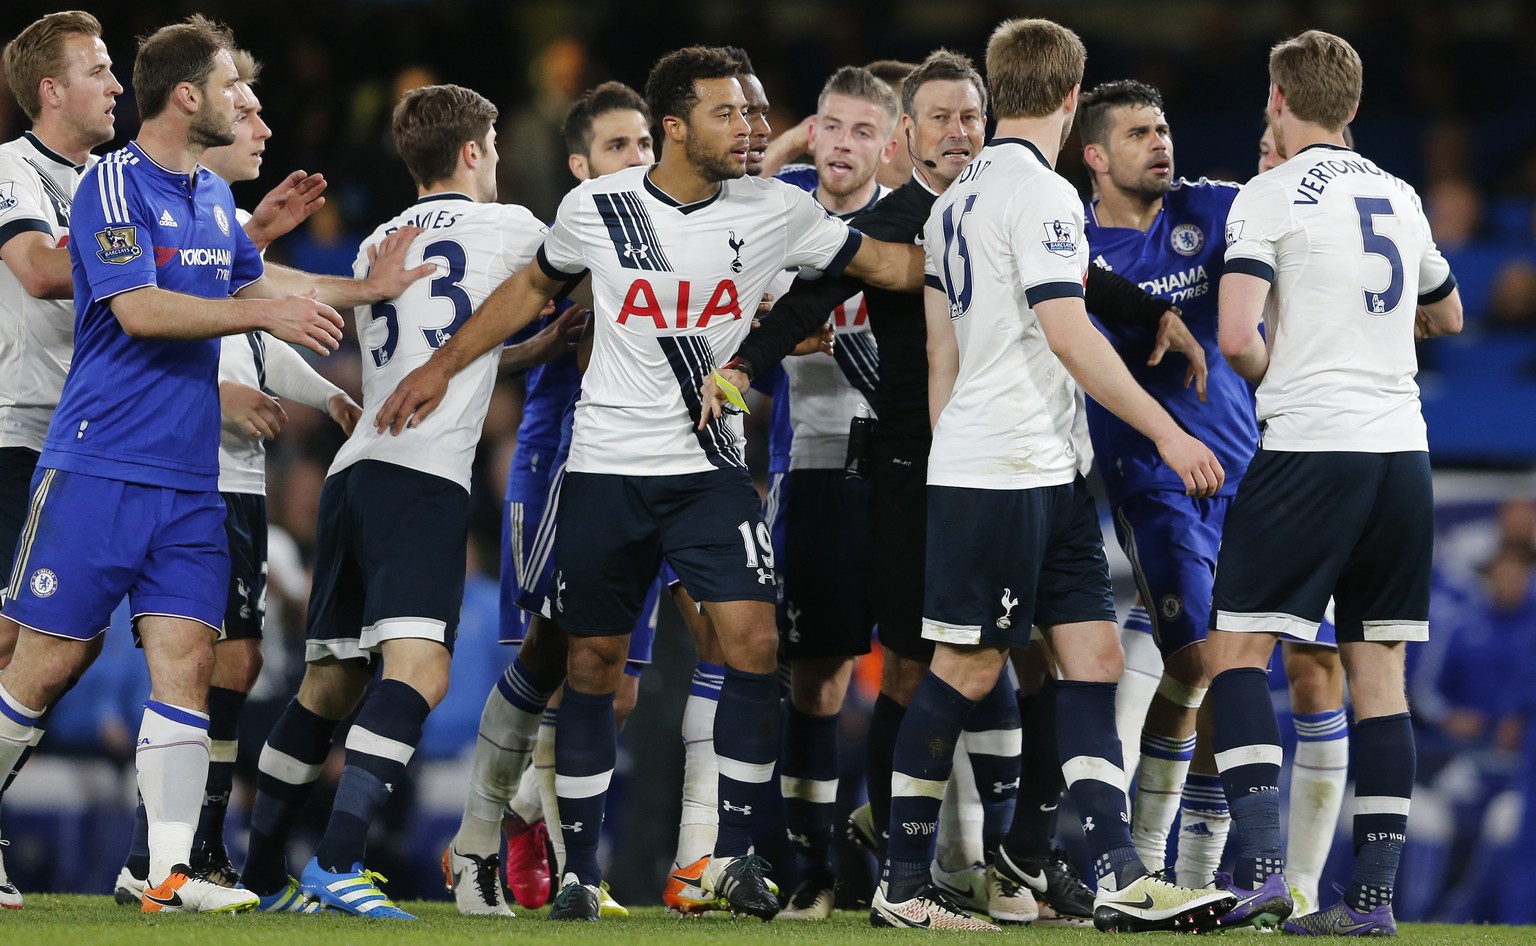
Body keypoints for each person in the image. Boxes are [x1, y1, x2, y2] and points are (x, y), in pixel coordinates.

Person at [377, 44, 924, 922]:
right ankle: (576, 872)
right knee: (592, 663)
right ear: (675, 127)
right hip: (605, 469)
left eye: (755, 112)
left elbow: (891, 267)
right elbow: (528, 289)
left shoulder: (776, 211)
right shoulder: (599, 207)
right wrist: (444, 368)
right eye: (730, 113)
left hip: (710, 468)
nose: (751, 128)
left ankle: (735, 858)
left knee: (752, 644)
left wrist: (975, 229)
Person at [718, 48, 1199, 927]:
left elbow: (1062, 292)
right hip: (944, 468)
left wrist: (1153, 312)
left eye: (967, 115)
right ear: (912, 133)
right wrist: (745, 365)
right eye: (936, 117)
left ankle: (1062, 862)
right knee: (926, 667)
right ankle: (884, 870)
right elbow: (818, 294)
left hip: (1006, 461)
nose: (955, 131)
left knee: (1066, 660)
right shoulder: (945, 210)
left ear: (990, 113)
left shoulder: (969, 206)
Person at [0, 14, 426, 914]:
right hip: (98, 465)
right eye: (234, 85)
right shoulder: (110, 185)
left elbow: (254, 278)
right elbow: (142, 311)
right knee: (38, 668)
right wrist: (262, 318)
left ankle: (165, 873)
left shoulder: (201, 195)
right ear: (188, 95)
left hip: (190, 479)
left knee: (188, 664)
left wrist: (363, 291)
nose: (247, 101)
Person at [875, 18, 1235, 931]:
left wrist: (953, 440)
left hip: (1043, 463)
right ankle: (903, 885)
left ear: (998, 99)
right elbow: (1068, 329)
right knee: (962, 668)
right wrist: (1167, 435)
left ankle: (1118, 872)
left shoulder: (954, 200)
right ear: (1074, 97)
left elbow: (939, 346)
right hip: (1004, 466)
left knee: (1096, 658)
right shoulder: (1039, 195)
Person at [237, 82, 573, 919]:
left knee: (328, 686)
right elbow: (482, 332)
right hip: (422, 477)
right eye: (492, 148)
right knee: (418, 671)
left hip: (356, 472)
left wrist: (531, 348)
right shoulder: (518, 228)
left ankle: (259, 874)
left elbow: (444, 352)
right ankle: (341, 861)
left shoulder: (379, 244)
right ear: (473, 151)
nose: (496, 161)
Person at [1207, 29, 1462, 936]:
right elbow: (1450, 311)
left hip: (1313, 444)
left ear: (1278, 101)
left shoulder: (1265, 196)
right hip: (1405, 453)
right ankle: (1376, 905)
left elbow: (1238, 337)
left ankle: (1268, 877)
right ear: (1352, 106)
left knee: (1235, 652)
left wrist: (1291, 378)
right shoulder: (1400, 193)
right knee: (1379, 677)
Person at [107, 48, 362, 908]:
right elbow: (129, 332)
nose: (259, 125)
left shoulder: (216, 226)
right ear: (201, 125)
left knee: (235, 662)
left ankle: (181, 852)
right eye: (244, 110)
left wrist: (327, 394)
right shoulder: (141, 200)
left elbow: (254, 333)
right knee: (185, 662)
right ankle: (166, 854)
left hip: (236, 485)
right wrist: (219, 395)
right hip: (180, 473)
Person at [445, 80, 652, 919]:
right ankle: (501, 845)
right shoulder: (555, 239)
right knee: (551, 657)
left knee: (621, 685)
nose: (636, 159)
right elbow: (471, 348)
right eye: (616, 147)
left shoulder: (680, 234)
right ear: (578, 165)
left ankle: (528, 817)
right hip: (560, 465)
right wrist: (538, 343)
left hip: (645, 469)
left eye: (644, 144)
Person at [763, 64, 897, 921]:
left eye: (860, 131)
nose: (840, 146)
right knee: (816, 680)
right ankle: (811, 871)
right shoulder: (778, 218)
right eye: (828, 128)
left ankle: (899, 853)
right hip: (815, 466)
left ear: (892, 145)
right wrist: (786, 146)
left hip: (906, 471)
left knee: (923, 671)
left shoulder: (913, 225)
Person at [0, 11, 121, 908]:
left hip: (86, 437)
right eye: (100, 69)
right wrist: (138, 227)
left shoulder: (110, 183)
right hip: (17, 424)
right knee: (13, 638)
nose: (116, 85)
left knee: (65, 645)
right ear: (52, 89)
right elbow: (41, 270)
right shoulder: (12, 168)